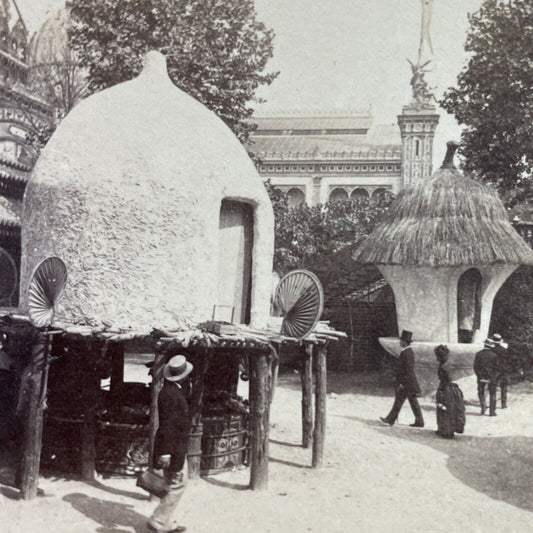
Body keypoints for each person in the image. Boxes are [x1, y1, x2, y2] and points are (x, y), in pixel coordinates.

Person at [147, 355, 193, 533]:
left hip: (172, 445)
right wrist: (166, 452)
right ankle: (158, 520)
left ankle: (166, 523)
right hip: (173, 447)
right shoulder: (171, 394)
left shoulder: (172, 390)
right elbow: (167, 424)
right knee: (178, 483)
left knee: (170, 482)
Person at [380, 330, 424, 428]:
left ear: (405, 342)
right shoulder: (408, 352)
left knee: (402, 401)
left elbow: (407, 371)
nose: (400, 342)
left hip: (407, 382)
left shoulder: (406, 353)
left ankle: (390, 419)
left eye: (401, 340)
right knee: (410, 402)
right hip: (409, 382)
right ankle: (419, 421)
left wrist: (402, 383)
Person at [434, 344, 465, 438]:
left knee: (445, 409)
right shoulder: (446, 365)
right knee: (445, 409)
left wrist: (442, 389)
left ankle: (446, 430)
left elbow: (446, 379)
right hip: (447, 388)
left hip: (445, 388)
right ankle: (444, 429)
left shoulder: (443, 366)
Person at [473, 339, 499, 416]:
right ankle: (492, 412)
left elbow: (475, 367)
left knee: (481, 392)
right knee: (492, 394)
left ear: (484, 345)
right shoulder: (494, 356)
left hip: (481, 377)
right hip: (491, 377)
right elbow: (497, 368)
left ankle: (483, 407)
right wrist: (493, 377)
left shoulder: (478, 354)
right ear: (491, 346)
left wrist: (480, 376)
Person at [491, 333, 509, 409]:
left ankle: (492, 404)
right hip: (503, 370)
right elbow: (508, 360)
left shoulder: (491, 350)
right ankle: (503, 404)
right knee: (504, 387)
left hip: (495, 370)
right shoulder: (504, 350)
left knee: (493, 387)